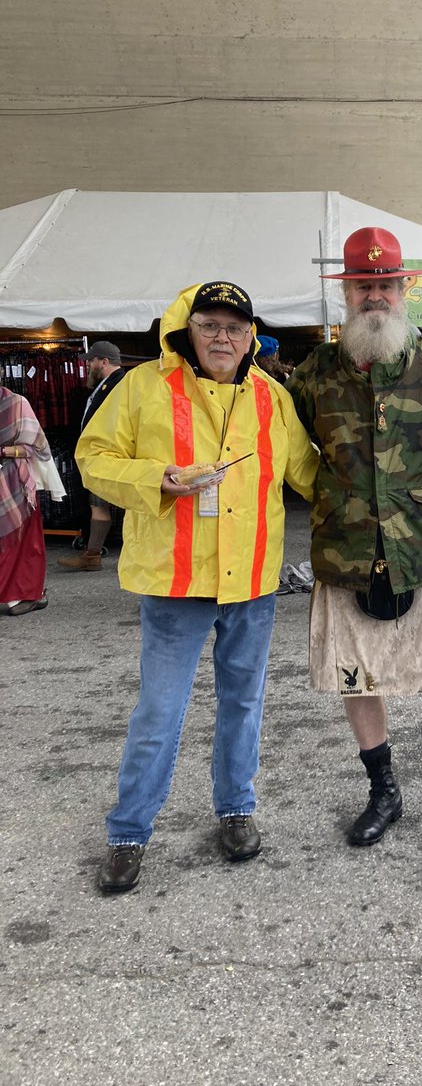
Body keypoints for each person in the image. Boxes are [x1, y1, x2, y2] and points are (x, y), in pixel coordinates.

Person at [77, 280, 318, 893]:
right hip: (175, 583)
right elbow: (92, 457)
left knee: (244, 703)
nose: (221, 337)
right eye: (209, 324)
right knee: (160, 712)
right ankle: (129, 832)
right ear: (188, 329)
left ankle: (236, 809)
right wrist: (157, 477)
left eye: (234, 328)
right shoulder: (142, 387)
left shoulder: (271, 396)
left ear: (250, 338)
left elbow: (309, 473)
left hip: (253, 583)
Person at [287, 226, 422, 884]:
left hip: (421, 552)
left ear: (404, 289)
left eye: (386, 284)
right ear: (346, 292)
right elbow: (277, 450)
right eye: (364, 285)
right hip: (345, 551)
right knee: (357, 680)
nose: (376, 294)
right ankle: (385, 794)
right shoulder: (313, 374)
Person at [58, 340, 127, 571]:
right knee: (99, 504)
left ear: (104, 361)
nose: (88, 366)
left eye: (91, 361)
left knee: (105, 505)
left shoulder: (120, 383)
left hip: (111, 454)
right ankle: (92, 555)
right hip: (104, 454)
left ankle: (93, 556)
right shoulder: (110, 383)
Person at [0, 388, 56, 616]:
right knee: (23, 542)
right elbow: (38, 446)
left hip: (12, 481)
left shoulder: (15, 402)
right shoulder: (17, 403)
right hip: (14, 482)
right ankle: (21, 596)